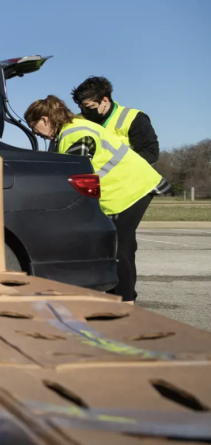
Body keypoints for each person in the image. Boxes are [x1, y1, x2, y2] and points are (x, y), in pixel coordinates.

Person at [25, 95, 169, 304]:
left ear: (45, 119)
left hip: (132, 189)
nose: (35, 132)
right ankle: (119, 298)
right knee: (113, 246)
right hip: (121, 190)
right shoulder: (72, 128)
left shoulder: (75, 134)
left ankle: (126, 303)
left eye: (34, 125)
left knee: (118, 248)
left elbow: (76, 174)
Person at [71, 76, 163, 166]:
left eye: (89, 107)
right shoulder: (77, 121)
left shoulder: (134, 118)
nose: (84, 112)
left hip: (126, 179)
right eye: (81, 108)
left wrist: (117, 166)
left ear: (105, 100)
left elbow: (151, 153)